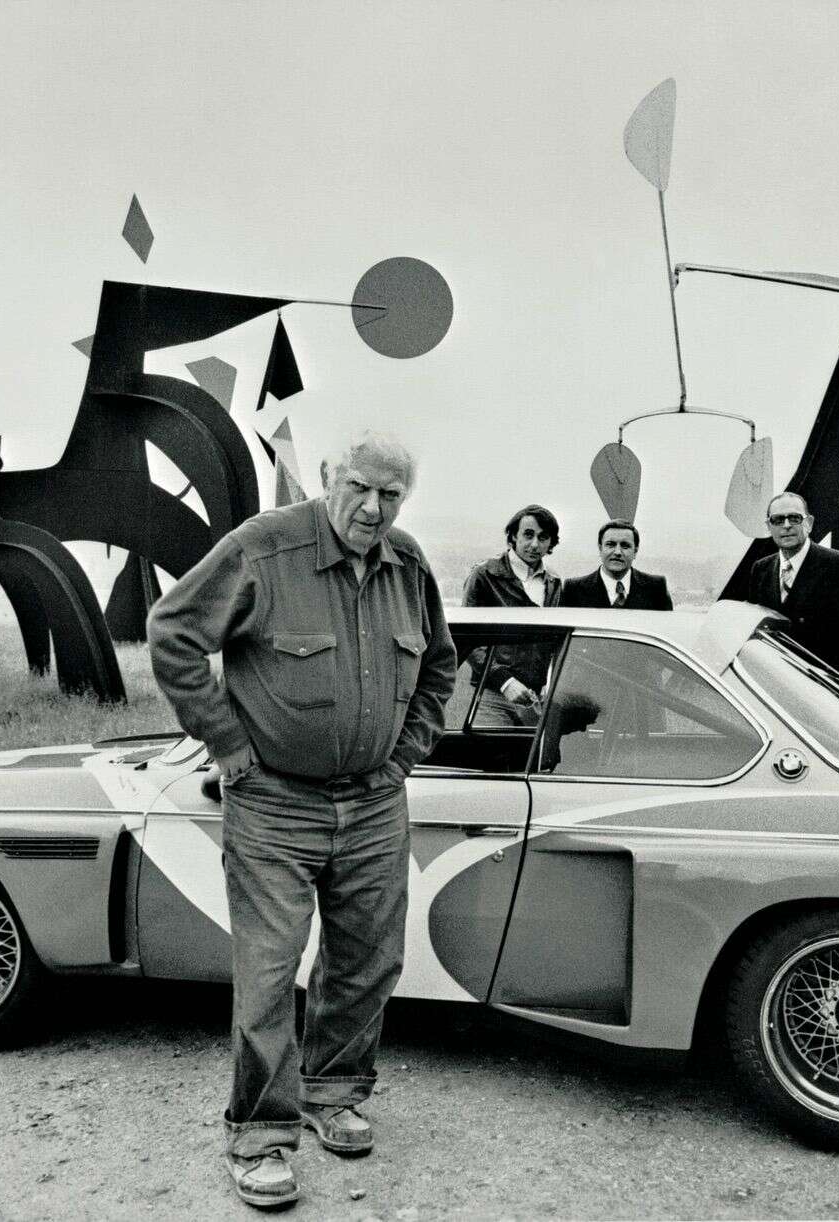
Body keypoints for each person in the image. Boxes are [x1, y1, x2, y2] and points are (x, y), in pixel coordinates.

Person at [147, 430, 456, 1209]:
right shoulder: (264, 547)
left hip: (376, 802)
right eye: (360, 486)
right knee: (267, 971)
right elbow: (174, 632)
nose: (373, 507)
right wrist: (227, 744)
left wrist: (403, 756)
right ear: (327, 477)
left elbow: (441, 667)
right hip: (275, 804)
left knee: (367, 959)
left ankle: (333, 1094)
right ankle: (259, 1137)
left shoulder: (408, 564)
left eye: (392, 494)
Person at [746, 490, 839, 680]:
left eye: (794, 518)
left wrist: (835, 685)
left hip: (824, 692)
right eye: (778, 520)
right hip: (774, 687)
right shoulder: (761, 569)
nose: (787, 525)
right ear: (769, 526)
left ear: (809, 523)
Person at [462, 505, 563, 723]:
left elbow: (555, 640)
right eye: (528, 534)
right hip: (492, 695)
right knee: (491, 755)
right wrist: (504, 681)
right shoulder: (484, 574)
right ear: (513, 536)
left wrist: (550, 681)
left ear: (550, 543)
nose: (534, 544)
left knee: (533, 757)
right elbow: (468, 638)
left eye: (543, 537)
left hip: (536, 698)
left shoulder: (554, 583)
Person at [557, 518, 673, 609]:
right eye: (610, 544)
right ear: (600, 548)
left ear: (635, 551)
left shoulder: (656, 588)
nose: (617, 552)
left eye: (625, 545)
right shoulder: (573, 589)